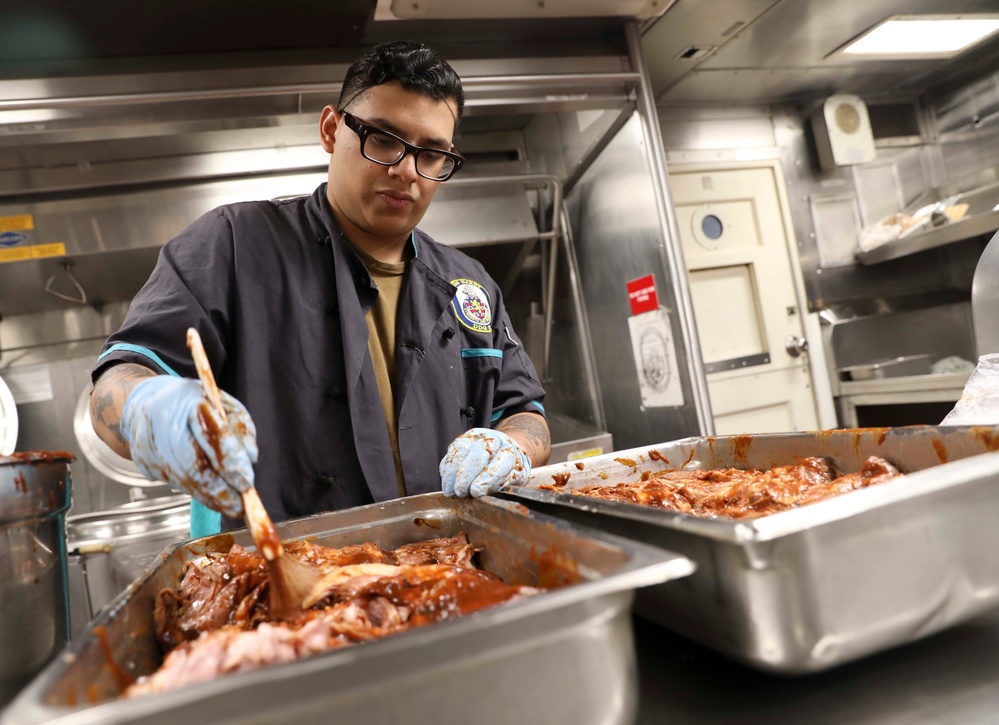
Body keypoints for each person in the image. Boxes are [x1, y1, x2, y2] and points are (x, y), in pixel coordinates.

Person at [89, 41, 550, 538]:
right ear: (332, 130)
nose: (405, 171)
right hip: (292, 584)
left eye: (432, 153)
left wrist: (513, 446)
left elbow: (526, 412)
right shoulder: (233, 244)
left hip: (451, 569)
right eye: (383, 139)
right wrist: (148, 410)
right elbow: (117, 381)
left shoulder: (470, 284)